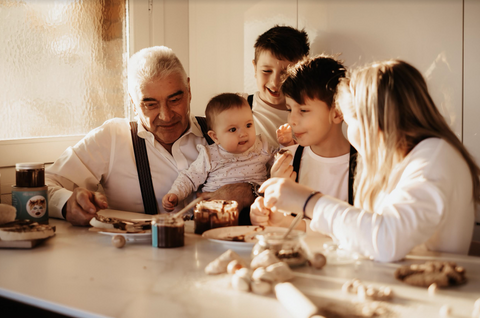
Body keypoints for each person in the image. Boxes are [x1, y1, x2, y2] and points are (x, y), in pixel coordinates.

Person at [256, 59, 480, 262]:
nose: (350, 133)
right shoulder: (410, 160)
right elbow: (364, 231)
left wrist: (308, 201)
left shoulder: (434, 158)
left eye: (351, 122)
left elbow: (387, 239)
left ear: (375, 121)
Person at [46, 46, 255, 226]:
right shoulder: (112, 139)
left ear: (189, 90)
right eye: (150, 104)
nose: (166, 116)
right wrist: (66, 204)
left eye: (175, 99)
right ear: (133, 102)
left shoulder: (229, 133)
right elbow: (44, 185)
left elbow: (273, 180)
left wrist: (250, 191)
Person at [250, 55, 356, 228]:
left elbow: (357, 229)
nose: (292, 120)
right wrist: (261, 212)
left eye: (304, 110)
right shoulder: (288, 160)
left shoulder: (364, 166)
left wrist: (285, 222)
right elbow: (271, 220)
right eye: (289, 109)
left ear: (337, 112)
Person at [162, 93, 274, 212]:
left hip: (256, 208)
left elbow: (281, 163)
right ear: (215, 137)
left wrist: (286, 143)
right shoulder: (210, 155)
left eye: (248, 125)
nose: (243, 133)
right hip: (216, 210)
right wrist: (175, 193)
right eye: (233, 129)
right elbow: (189, 177)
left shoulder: (261, 146)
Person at [244, 25, 310, 148]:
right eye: (266, 71)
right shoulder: (239, 106)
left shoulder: (308, 116)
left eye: (286, 74)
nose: (275, 82)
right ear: (255, 68)